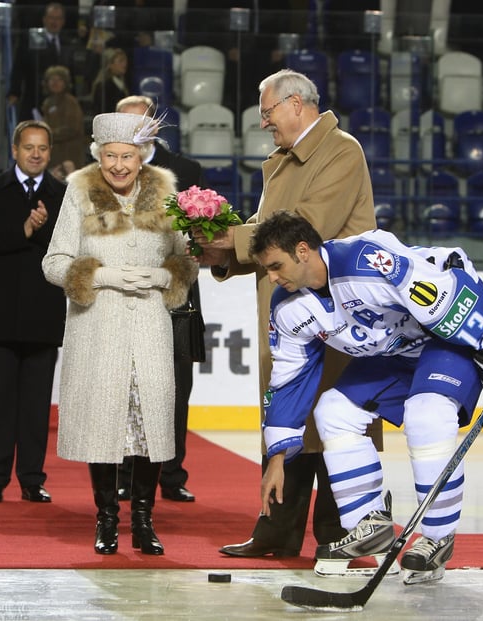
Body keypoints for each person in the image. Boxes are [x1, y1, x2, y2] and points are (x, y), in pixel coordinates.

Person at [249, 210, 483, 583]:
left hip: (443, 336)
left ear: (303, 250)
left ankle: (436, 536)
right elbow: (288, 378)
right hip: (397, 351)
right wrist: (277, 457)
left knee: (426, 415)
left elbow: (445, 295)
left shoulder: (367, 260)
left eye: (275, 266)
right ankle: (368, 523)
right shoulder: (287, 306)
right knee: (333, 410)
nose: (271, 277)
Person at [194, 69, 382, 559]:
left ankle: (340, 535)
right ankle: (276, 532)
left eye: (268, 112)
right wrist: (223, 254)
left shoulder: (341, 150)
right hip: (292, 308)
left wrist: (229, 241)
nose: (264, 123)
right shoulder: (286, 160)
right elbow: (269, 233)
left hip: (333, 313)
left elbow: (305, 229)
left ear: (296, 103)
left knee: (331, 419)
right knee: (288, 416)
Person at [42, 112, 198, 555]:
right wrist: (106, 276)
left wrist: (160, 279)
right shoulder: (80, 191)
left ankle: (144, 522)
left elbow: (185, 261)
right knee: (103, 423)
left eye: (127, 156)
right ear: (97, 154)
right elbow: (54, 263)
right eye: (110, 155)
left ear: (142, 155)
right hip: (98, 327)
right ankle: (107, 520)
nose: (118, 166)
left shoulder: (166, 193)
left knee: (150, 424)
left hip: (150, 324)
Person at [0, 119, 67, 504]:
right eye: (29, 147)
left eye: (42, 148)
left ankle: (32, 479)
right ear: (15, 150)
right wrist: (22, 229)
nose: (36, 154)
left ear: (50, 151)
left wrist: (38, 230)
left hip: (43, 312)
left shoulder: (64, 193)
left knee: (36, 405)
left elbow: (71, 245)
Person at [114, 95, 207, 503]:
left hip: (176, 297)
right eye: (124, 123)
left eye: (139, 123)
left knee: (175, 386)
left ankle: (172, 474)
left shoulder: (187, 171)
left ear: (155, 125)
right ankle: (124, 472)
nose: (132, 132)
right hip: (123, 294)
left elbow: (204, 236)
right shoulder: (107, 171)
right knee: (124, 386)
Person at [7, 2, 78, 122]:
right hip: (34, 99)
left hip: (60, 102)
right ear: (44, 19)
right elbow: (19, 67)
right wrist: (14, 92)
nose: (54, 22)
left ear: (63, 21)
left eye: (58, 18)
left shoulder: (68, 42)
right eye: (51, 18)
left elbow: (71, 73)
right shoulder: (30, 39)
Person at [39, 65, 86, 181]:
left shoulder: (70, 102)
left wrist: (49, 134)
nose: (55, 83)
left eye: (59, 80)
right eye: (52, 79)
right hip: (52, 154)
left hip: (69, 155)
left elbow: (72, 128)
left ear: (65, 83)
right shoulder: (47, 102)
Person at [91, 47, 129, 116]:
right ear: (110, 65)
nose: (125, 64)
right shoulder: (103, 87)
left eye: (125, 60)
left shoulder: (124, 84)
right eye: (121, 61)